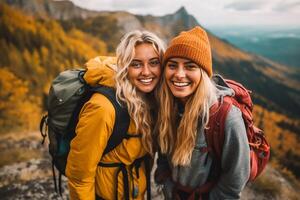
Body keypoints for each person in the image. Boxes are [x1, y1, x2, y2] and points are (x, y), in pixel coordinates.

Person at [66, 30, 165, 200]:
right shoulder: (102, 108)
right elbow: (79, 177)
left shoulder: (152, 100)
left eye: (154, 63)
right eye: (136, 64)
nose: (147, 72)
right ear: (125, 67)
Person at [155, 26, 250, 199]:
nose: (179, 74)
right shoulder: (167, 105)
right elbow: (163, 154)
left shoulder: (225, 115)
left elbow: (235, 179)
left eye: (190, 66)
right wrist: (166, 183)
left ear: (203, 73)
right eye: (172, 65)